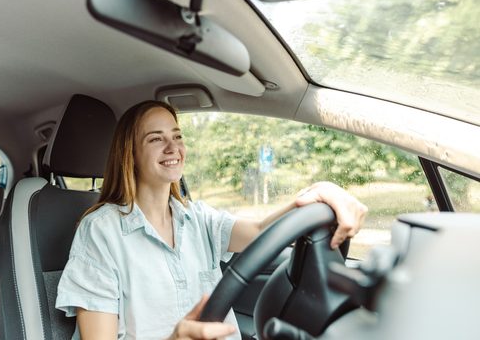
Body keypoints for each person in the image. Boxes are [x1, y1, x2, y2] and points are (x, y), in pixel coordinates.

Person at [55, 100, 367, 339]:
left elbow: (261, 231)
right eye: (155, 139)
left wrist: (317, 193)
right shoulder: (101, 231)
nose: (173, 147)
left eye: (177, 136)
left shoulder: (197, 217)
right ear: (130, 154)